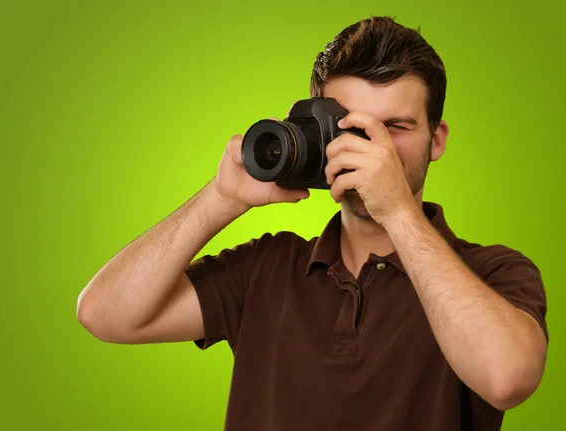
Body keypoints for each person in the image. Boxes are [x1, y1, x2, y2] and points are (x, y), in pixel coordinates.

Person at [76, 16, 549, 430]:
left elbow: (507, 378)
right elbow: (104, 314)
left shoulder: (492, 273)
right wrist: (219, 199)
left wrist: (397, 211)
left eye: (396, 128)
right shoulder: (268, 268)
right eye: (350, 125)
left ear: (437, 140)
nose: (372, 145)